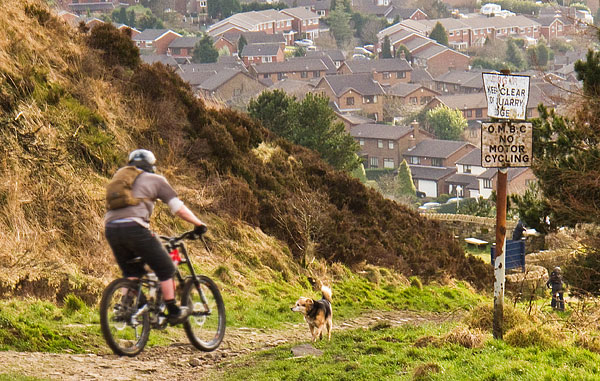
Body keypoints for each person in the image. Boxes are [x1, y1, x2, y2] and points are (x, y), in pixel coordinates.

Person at [104, 149, 207, 325]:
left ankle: (126, 306)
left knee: (132, 271)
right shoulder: (156, 180)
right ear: (151, 166)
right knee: (166, 268)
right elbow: (178, 208)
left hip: (111, 229)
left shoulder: (121, 179)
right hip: (136, 228)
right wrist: (198, 224)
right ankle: (173, 310)